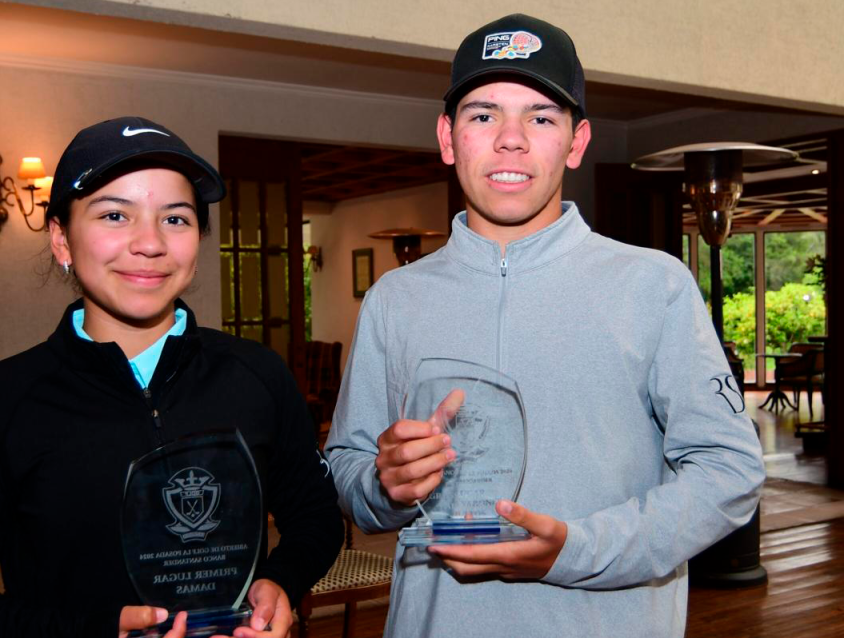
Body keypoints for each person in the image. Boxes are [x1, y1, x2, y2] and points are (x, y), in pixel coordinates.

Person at [325, 14, 765, 638]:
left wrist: (577, 550)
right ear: (448, 139)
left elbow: (729, 473)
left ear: (577, 141)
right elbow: (348, 464)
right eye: (483, 115)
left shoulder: (655, 285)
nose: (511, 139)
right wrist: (383, 481)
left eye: (540, 116)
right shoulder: (394, 299)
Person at [0, 116, 343, 638]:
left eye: (175, 219)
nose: (150, 243)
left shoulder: (257, 374)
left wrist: (281, 581)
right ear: (62, 240)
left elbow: (317, 518)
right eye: (115, 215)